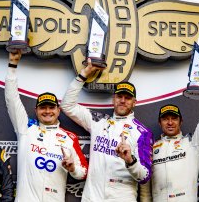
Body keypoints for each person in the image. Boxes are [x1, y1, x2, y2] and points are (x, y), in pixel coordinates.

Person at [60, 59, 153, 201]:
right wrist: (84, 74)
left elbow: (145, 176)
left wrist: (130, 160)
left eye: (127, 98)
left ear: (134, 102)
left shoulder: (142, 132)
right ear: (113, 99)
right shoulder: (99, 121)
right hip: (92, 197)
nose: (122, 100)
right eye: (119, 96)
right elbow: (67, 106)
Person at [5, 50, 88, 202]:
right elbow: (12, 99)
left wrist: (72, 169)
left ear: (58, 110)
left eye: (51, 107)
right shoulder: (26, 129)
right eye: (43, 107)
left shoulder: (69, 138)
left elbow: (84, 172)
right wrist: (12, 66)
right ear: (36, 111)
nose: (47, 111)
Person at [141, 69, 199, 202]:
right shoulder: (151, 148)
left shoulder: (192, 143)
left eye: (174, 118)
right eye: (165, 119)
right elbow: (146, 185)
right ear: (160, 123)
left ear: (180, 121)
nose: (170, 122)